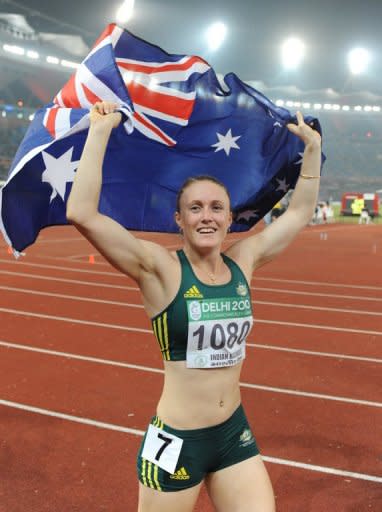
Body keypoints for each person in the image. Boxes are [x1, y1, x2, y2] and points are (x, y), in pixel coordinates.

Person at [66, 102, 322, 512]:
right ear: (179, 220)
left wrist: (311, 149)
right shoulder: (160, 269)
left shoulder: (244, 261)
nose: (207, 216)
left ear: (229, 218)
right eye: (195, 208)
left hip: (233, 434)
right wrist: (99, 131)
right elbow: (81, 213)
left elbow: (300, 212)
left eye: (216, 207)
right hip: (177, 442)